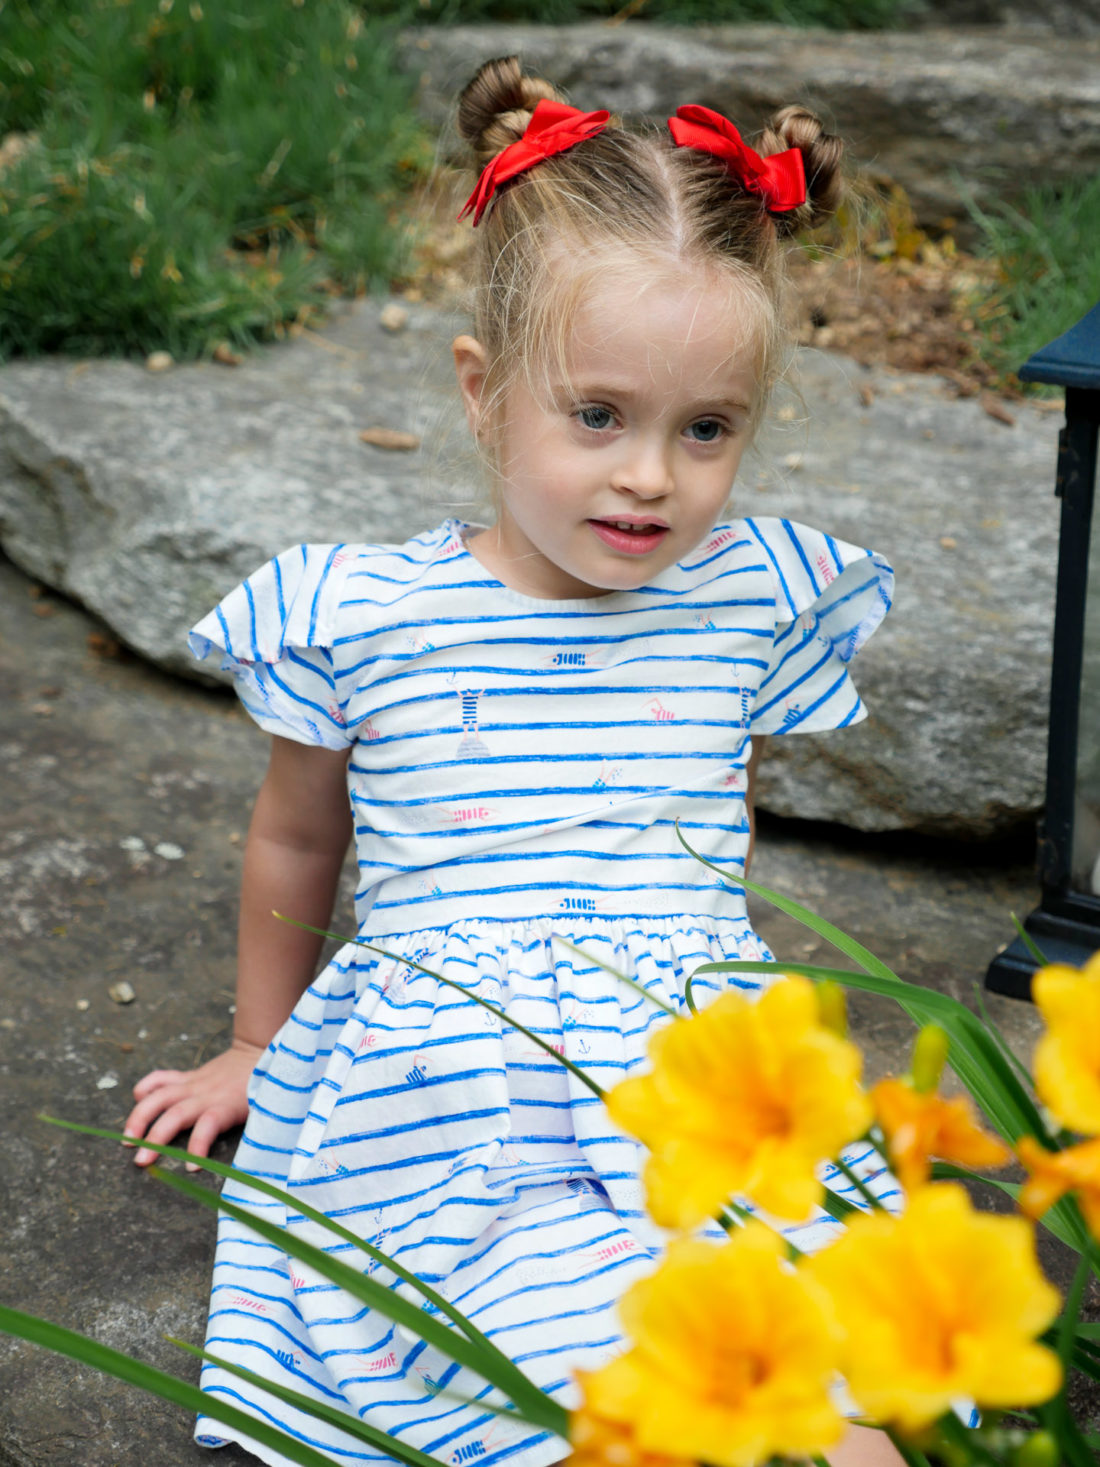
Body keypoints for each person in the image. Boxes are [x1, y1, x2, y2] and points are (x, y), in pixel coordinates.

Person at [124, 56, 899, 1467]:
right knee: (579, 1372)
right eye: (597, 415)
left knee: (810, 1369)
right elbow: (299, 842)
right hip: (459, 1107)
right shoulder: (366, 617)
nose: (651, 476)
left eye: (705, 429)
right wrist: (257, 1043)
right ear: (484, 392)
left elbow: (706, 840)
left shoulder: (749, 598)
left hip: (689, 1069)